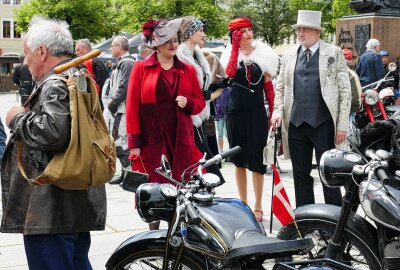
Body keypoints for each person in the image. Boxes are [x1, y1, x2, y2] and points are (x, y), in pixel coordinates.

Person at [1, 16, 106, 269]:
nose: (25, 62)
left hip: (51, 210)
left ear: (42, 51)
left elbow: (52, 133)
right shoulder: (78, 76)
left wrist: (17, 118)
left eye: (26, 54)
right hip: (73, 203)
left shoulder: (55, 83)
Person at [126, 18, 205, 230]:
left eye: (176, 40)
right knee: (154, 189)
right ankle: (154, 239)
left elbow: (199, 103)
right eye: (167, 41)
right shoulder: (141, 68)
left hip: (181, 139)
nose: (173, 45)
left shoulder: (187, 69)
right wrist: (134, 142)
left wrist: (188, 103)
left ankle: (178, 235)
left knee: (180, 189)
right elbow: (132, 107)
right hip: (153, 139)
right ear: (156, 44)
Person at [271, 10, 351, 208]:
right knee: (300, 174)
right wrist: (277, 111)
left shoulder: (333, 52)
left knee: (329, 173)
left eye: (305, 29)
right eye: (298, 29)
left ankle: (333, 220)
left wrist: (342, 125)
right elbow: (280, 87)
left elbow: (345, 90)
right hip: (296, 124)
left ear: (317, 32)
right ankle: (307, 219)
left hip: (323, 124)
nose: (300, 32)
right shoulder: (289, 54)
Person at [222, 17, 279, 222]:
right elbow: (228, 74)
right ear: (235, 35)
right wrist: (236, 48)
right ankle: (243, 203)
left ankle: (258, 205)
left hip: (256, 113)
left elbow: (269, 88)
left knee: (256, 159)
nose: (248, 33)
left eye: (249, 30)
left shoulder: (264, 54)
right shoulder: (230, 53)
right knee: (238, 160)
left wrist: (273, 113)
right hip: (235, 113)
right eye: (243, 31)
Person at [177, 16, 225, 181]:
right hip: (187, 116)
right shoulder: (180, 56)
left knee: (203, 160)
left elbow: (202, 90)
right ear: (190, 34)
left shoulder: (198, 55)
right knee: (197, 161)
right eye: (200, 31)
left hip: (200, 114)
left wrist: (210, 93)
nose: (204, 34)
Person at [104, 36, 135, 184]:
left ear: (119, 47)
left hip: (122, 109)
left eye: (112, 46)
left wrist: (112, 105)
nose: (111, 49)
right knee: (119, 141)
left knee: (121, 142)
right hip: (120, 109)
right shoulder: (124, 63)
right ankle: (126, 173)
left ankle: (130, 174)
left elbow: (124, 88)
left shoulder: (127, 63)